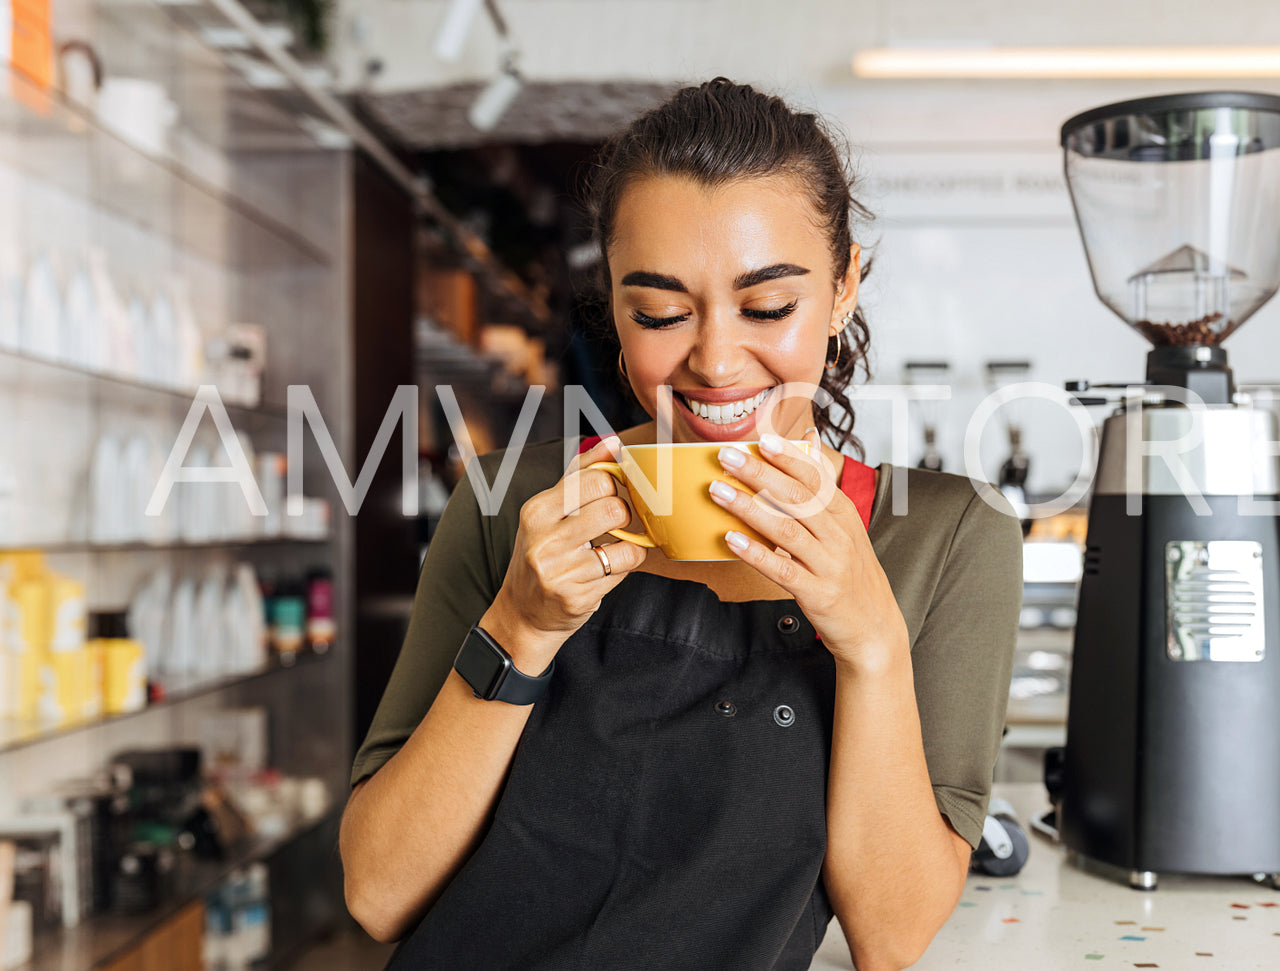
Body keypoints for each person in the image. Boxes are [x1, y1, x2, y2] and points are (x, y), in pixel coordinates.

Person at [340, 78, 1022, 971]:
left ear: (846, 283)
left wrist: (870, 641)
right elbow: (379, 893)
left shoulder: (942, 536)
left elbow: (889, 935)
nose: (715, 360)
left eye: (769, 306)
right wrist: (520, 626)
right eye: (659, 312)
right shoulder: (516, 502)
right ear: (615, 307)